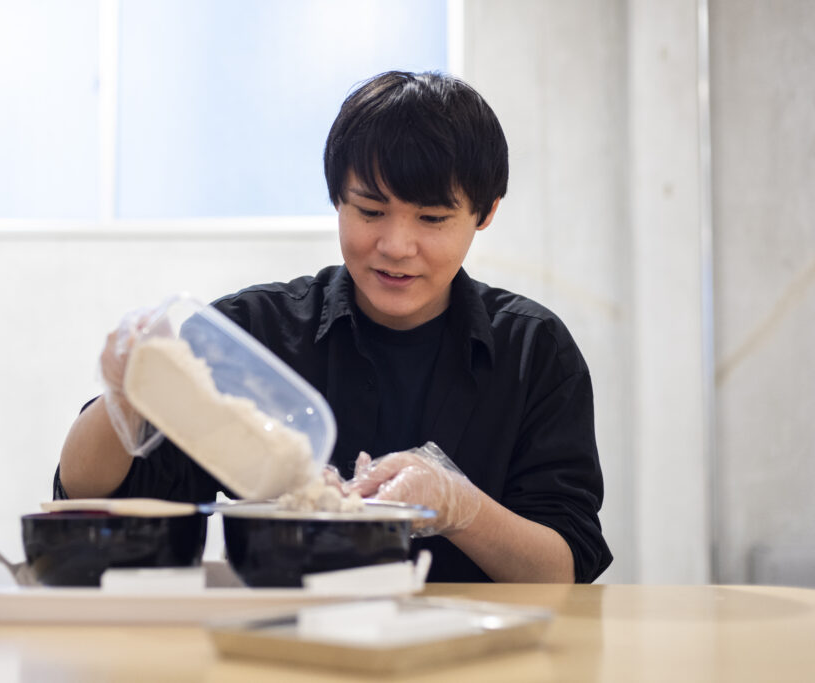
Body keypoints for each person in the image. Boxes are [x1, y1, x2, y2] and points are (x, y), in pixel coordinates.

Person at [57, 70, 612, 583]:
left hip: (478, 644)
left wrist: (462, 508)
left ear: (485, 212)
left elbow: (563, 568)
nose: (396, 245)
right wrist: (125, 395)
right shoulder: (250, 334)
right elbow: (91, 494)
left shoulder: (533, 349)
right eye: (370, 211)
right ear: (337, 199)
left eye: (432, 218)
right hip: (283, 638)